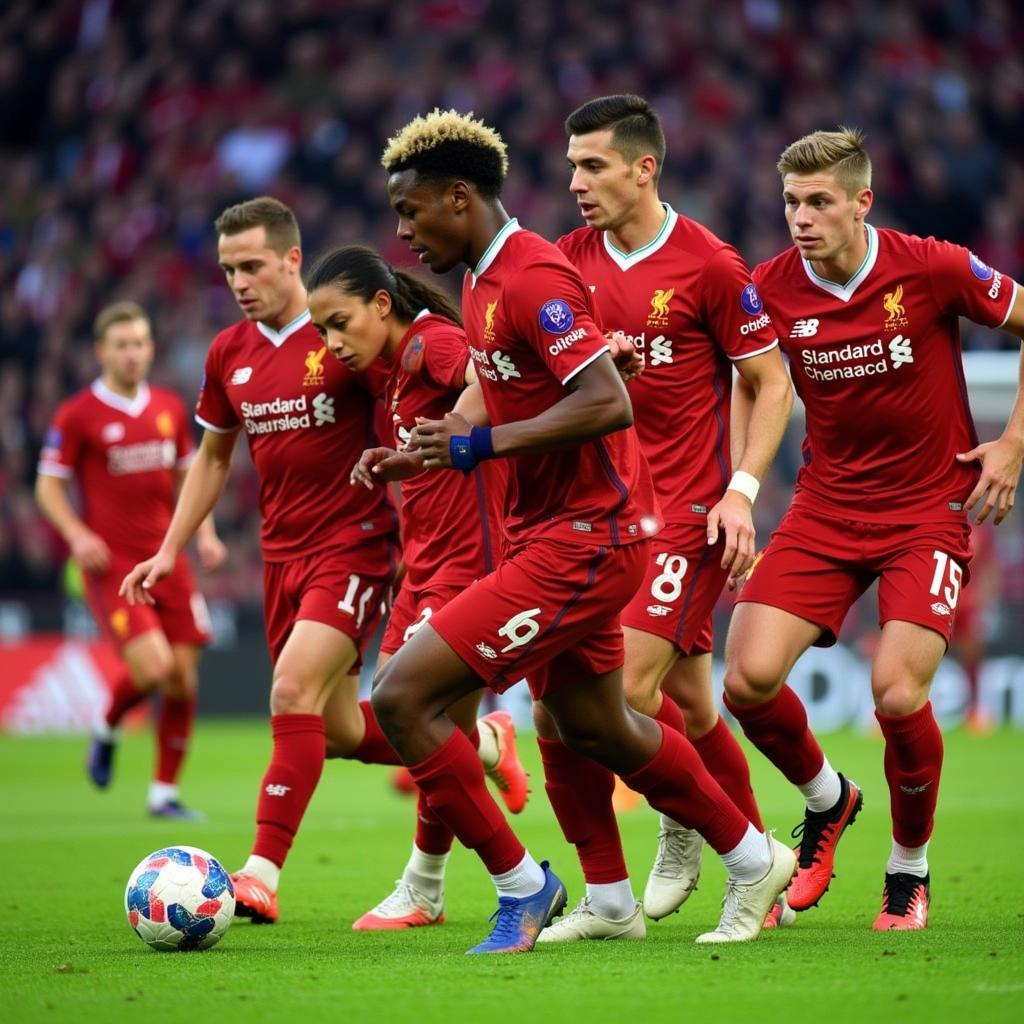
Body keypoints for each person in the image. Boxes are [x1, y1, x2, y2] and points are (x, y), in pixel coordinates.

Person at [368, 108, 795, 955]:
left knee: (400, 697)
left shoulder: (529, 275)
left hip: (588, 538)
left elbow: (606, 401)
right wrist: (426, 449)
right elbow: (512, 386)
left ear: (460, 199)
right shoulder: (489, 280)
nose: (402, 231)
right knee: (591, 725)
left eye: (411, 212)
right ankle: (708, 871)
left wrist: (477, 444)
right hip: (552, 533)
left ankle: (522, 887)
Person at [120, 197, 517, 927]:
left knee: (289, 692)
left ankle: (261, 874)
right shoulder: (228, 354)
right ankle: (487, 744)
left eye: (253, 266)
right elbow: (212, 457)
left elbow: (435, 377)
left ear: (292, 260)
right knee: (332, 728)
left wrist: (447, 449)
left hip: (357, 549)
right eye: (228, 270)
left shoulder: (346, 337)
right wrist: (169, 549)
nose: (240, 282)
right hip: (282, 557)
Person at [723, 127, 1024, 930]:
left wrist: (1015, 442)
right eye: (791, 202)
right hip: (825, 508)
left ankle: (908, 868)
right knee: (745, 681)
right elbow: (749, 384)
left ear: (862, 202)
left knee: (896, 693)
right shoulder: (771, 287)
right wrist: (741, 490)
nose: (801, 217)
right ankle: (830, 801)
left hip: (926, 512)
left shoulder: (932, 266)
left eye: (820, 202)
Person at [531, 94, 794, 941]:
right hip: (602, 518)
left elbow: (771, 381)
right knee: (692, 704)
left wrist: (742, 492)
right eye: (572, 165)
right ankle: (769, 878)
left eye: (593, 165)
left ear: (645, 168)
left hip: (686, 516)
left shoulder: (710, 265)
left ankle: (686, 831)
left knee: (617, 699)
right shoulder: (566, 261)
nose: (575, 181)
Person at [305, 243, 527, 930]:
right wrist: (397, 462)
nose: (333, 342)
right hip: (422, 562)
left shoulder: (434, 343)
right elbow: (436, 449)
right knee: (425, 735)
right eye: (321, 331)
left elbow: (492, 381)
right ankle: (491, 747)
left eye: (339, 323)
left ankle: (429, 885)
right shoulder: (393, 373)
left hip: (468, 563)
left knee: (420, 727)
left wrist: (462, 425)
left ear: (380, 305)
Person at [36, 301, 225, 819]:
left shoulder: (166, 406)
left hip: (168, 560)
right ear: (101, 352)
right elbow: (48, 485)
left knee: (183, 680)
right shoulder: (78, 415)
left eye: (139, 343)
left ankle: (163, 794)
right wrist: (77, 534)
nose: (132, 353)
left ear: (150, 348)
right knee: (155, 667)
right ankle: (107, 725)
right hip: (114, 566)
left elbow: (192, 476)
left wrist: (204, 535)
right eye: (121, 345)